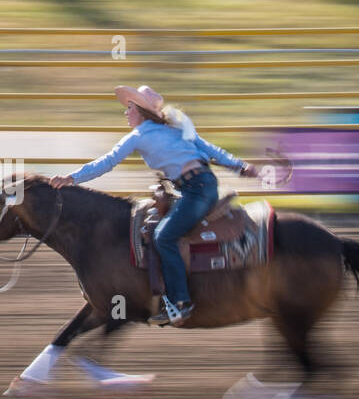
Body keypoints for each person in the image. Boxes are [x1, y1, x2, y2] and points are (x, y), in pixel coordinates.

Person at [48, 85, 258, 326]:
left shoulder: (140, 135)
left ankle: (180, 303)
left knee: (164, 237)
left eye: (129, 108)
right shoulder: (175, 128)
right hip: (202, 185)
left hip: (194, 191)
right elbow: (210, 150)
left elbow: (107, 162)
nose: (125, 113)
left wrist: (71, 178)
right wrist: (241, 166)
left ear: (139, 110)